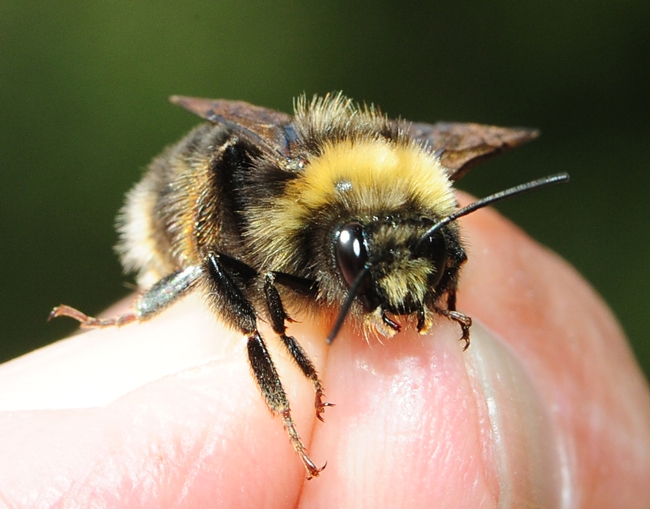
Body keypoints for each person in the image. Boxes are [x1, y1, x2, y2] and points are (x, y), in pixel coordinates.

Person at [0, 197, 648, 508]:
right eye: (371, 269)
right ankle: (152, 328)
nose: (393, 291)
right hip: (192, 200)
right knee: (230, 283)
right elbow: (227, 263)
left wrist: (441, 295)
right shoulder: (296, 214)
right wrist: (286, 341)